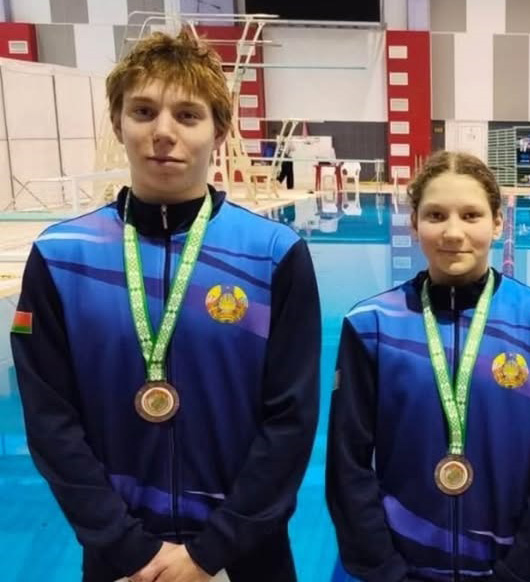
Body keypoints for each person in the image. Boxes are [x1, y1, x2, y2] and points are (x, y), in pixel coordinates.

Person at [10, 29, 320, 582]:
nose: (163, 132)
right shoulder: (62, 257)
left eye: (187, 115)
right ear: (117, 123)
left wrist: (210, 552)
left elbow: (291, 422)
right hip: (121, 558)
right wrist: (125, 547)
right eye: (144, 111)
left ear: (219, 131)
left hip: (246, 554)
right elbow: (50, 419)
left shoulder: (274, 255)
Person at [327, 151, 530, 582]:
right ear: (413, 224)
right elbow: (347, 464)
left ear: (498, 223)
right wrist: (386, 572)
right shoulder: (372, 325)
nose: (453, 232)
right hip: (400, 571)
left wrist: (518, 574)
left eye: (471, 215)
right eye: (435, 215)